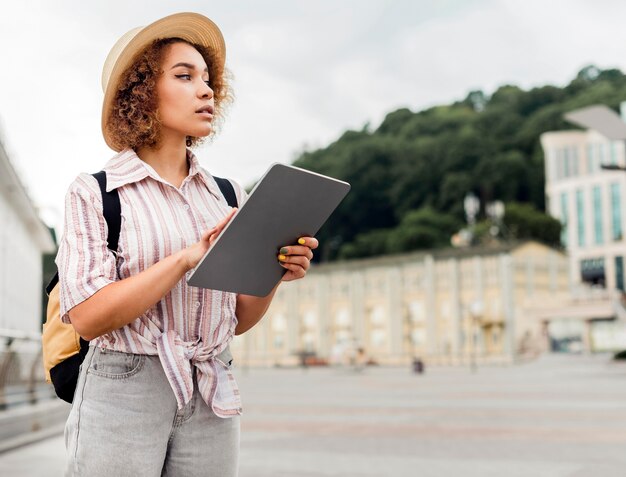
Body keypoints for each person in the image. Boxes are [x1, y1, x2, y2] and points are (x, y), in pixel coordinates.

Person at [56, 12, 318, 476]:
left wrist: (273, 273)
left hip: (209, 387)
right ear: (142, 93)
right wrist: (184, 259)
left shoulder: (228, 194)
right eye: (185, 76)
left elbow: (236, 319)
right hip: (123, 387)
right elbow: (90, 317)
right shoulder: (95, 192)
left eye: (208, 79)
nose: (206, 90)